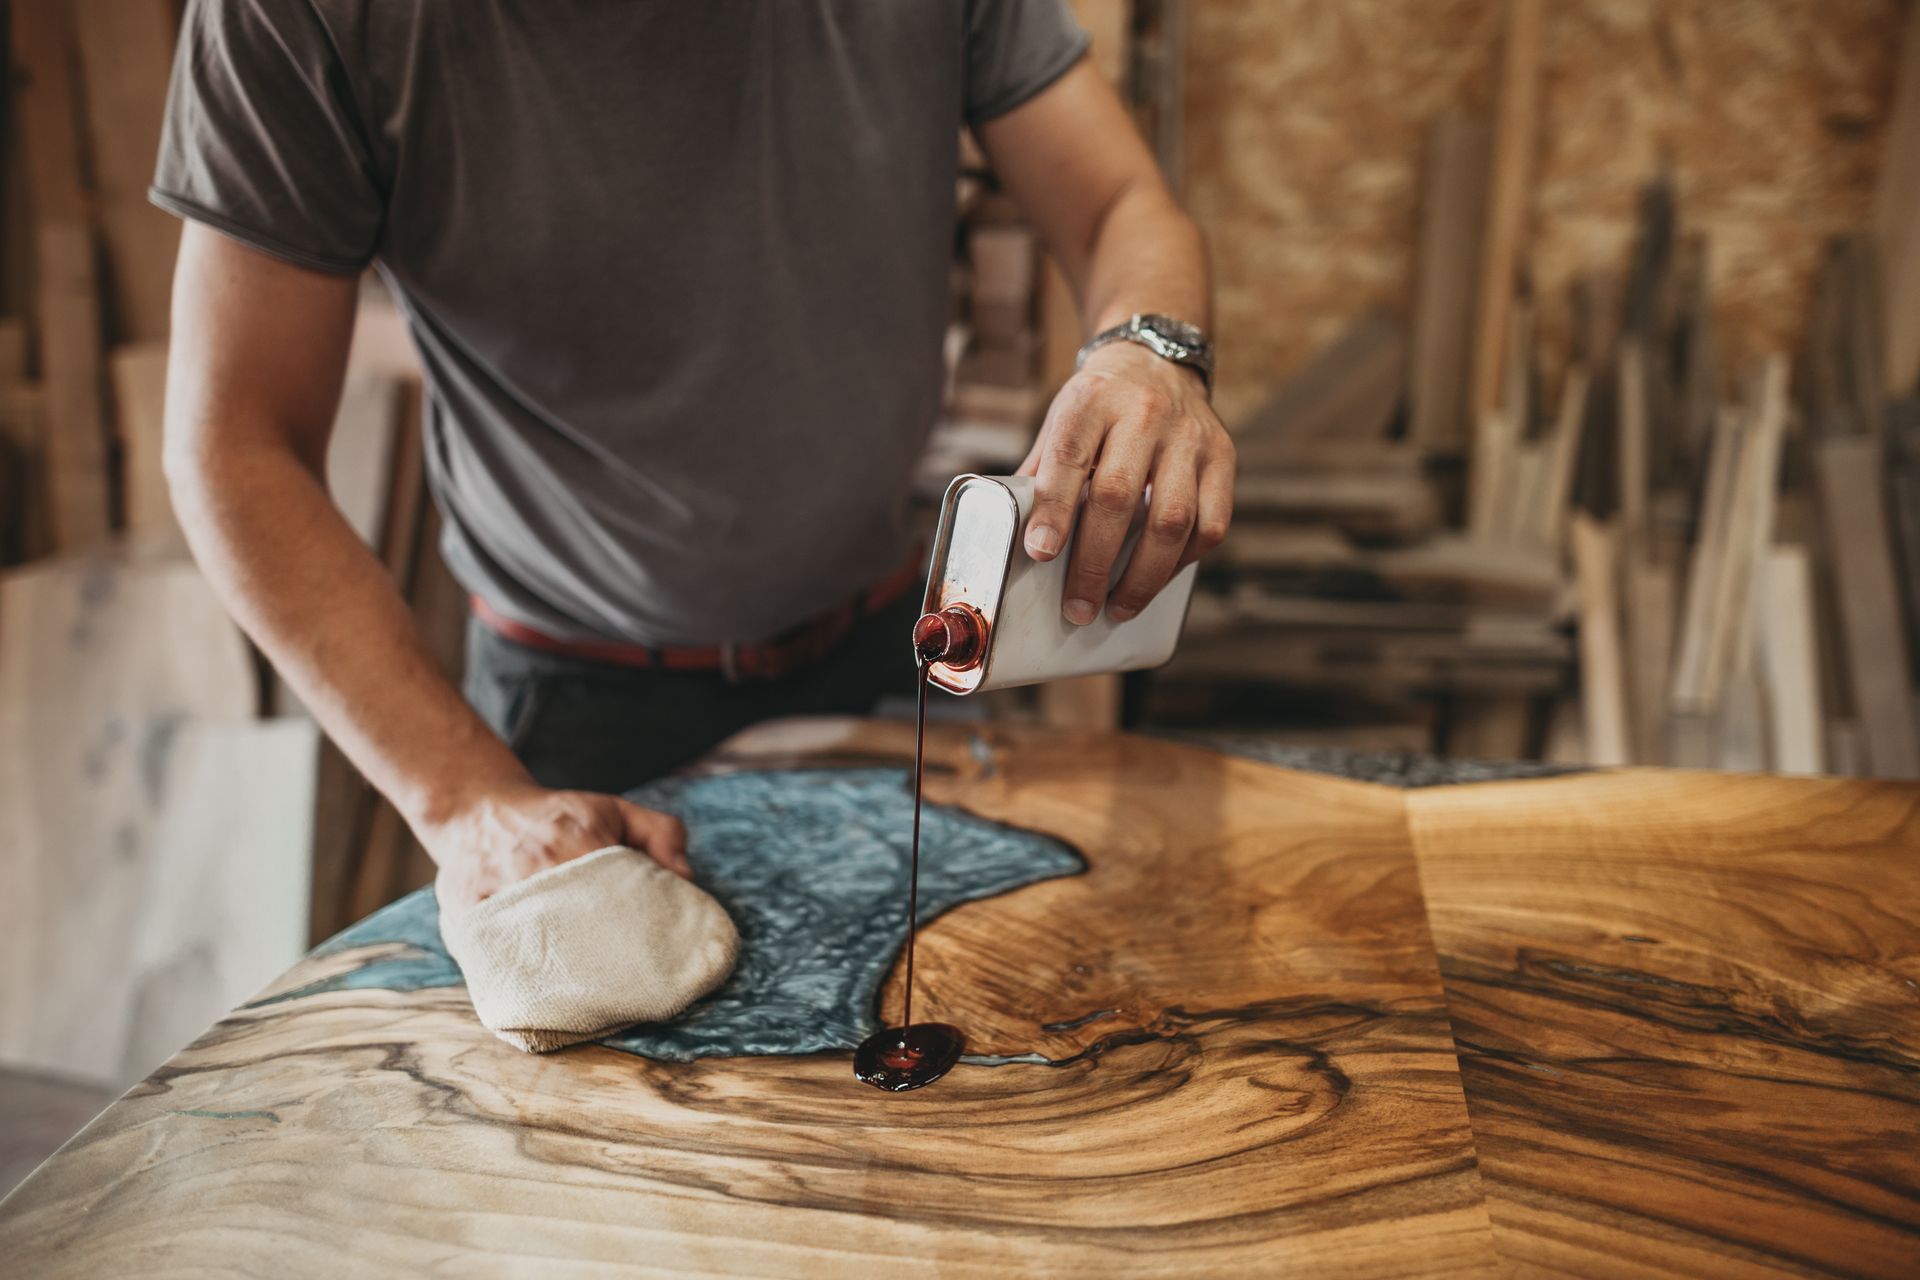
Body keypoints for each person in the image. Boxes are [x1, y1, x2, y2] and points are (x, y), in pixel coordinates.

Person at [155, 1, 1234, 916]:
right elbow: (237, 443)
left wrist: (1150, 351)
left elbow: (1114, 204)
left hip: (885, 643)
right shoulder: (306, 17)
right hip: (570, 712)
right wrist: (465, 800)